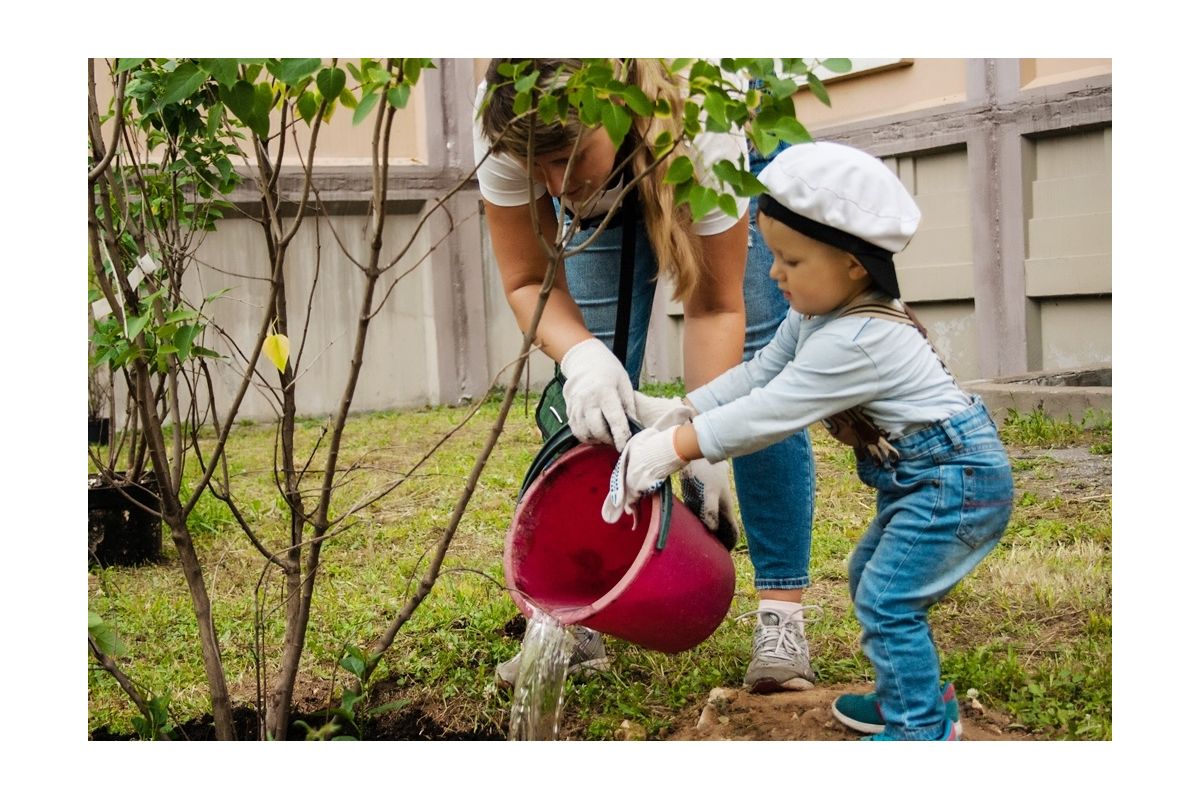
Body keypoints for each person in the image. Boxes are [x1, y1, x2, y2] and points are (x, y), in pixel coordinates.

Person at [605, 141, 1014, 741]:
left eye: (790, 261)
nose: (773, 274)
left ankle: (921, 729)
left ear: (853, 264)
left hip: (956, 481)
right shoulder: (819, 314)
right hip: (928, 476)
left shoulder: (858, 340)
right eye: (771, 255)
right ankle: (912, 694)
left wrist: (676, 449)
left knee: (887, 598)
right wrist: (679, 410)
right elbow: (759, 373)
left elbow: (772, 412)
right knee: (869, 574)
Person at [474, 59, 818, 693]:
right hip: (627, 157)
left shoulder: (704, 115)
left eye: (566, 160)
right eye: (537, 168)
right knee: (594, 393)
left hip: (726, 139)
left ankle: (781, 617)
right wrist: (580, 356)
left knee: (760, 379)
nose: (554, 186)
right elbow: (526, 280)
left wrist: (703, 434)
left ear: (613, 109)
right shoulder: (504, 118)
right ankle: (574, 619)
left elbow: (717, 307)